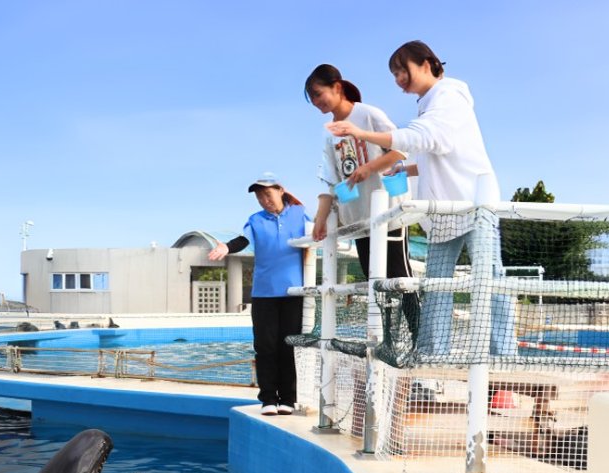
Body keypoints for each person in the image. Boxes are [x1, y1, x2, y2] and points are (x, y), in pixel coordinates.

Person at [326, 41, 515, 357]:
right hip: (441, 212)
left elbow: (426, 137)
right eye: (395, 74)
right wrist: (407, 168)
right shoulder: (429, 104)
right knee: (436, 284)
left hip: (472, 205)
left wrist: (362, 134)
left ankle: (504, 355)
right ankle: (432, 352)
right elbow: (437, 153)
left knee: (488, 280)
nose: (399, 79)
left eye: (403, 70)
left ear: (427, 64)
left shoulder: (449, 97)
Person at [304, 64, 419, 338]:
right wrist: (320, 219)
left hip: (388, 212)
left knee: (399, 276)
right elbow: (330, 180)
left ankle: (419, 337)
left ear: (337, 87)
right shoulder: (328, 132)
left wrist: (369, 168)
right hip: (359, 218)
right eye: (313, 98)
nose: (317, 102)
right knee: (374, 281)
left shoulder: (367, 114)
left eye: (319, 94)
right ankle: (388, 339)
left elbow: (401, 149)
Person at [209, 173, 308, 415]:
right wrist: (225, 246)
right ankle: (268, 400)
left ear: (280, 190)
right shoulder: (255, 220)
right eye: (259, 196)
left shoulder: (299, 213)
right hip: (264, 293)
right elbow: (243, 240)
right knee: (265, 347)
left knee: (287, 346)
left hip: (293, 291)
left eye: (267, 193)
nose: (264, 199)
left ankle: (287, 399)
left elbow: (318, 231)